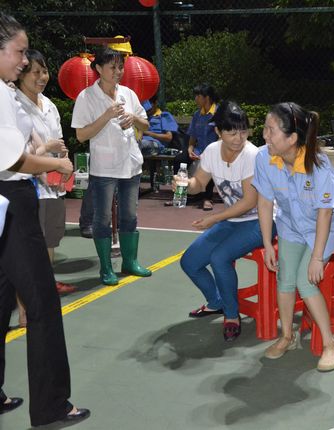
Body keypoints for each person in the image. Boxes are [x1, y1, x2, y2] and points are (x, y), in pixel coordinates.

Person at [0, 12, 90, 426]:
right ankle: (51, 405)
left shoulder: (6, 92)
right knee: (42, 303)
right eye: (19, 52)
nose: (25, 61)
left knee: (2, 299)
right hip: (12, 200)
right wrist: (57, 165)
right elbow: (14, 160)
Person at [254, 102, 334, 372]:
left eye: (271, 130)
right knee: (284, 277)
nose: (265, 135)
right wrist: (267, 243)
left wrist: (317, 257)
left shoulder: (319, 164)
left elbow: (325, 213)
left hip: (324, 229)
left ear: (292, 138)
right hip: (291, 226)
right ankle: (287, 336)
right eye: (265, 128)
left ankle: (330, 344)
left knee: (305, 281)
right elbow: (264, 202)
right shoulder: (263, 157)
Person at [178, 101, 270, 341]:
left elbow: (249, 202)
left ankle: (231, 315)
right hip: (234, 219)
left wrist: (214, 218)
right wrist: (186, 184)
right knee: (190, 262)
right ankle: (216, 301)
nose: (239, 138)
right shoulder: (211, 151)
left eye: (243, 131)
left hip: (262, 220)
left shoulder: (252, 154)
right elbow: (199, 183)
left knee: (220, 257)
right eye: (232, 132)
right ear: (218, 131)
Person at [71, 47, 151, 286]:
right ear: (98, 68)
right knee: (102, 218)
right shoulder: (86, 97)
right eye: (112, 67)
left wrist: (134, 119)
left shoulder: (128, 93)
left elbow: (145, 124)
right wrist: (106, 116)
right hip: (104, 168)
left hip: (131, 164)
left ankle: (130, 262)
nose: (118, 72)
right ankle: (106, 268)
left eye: (120, 67)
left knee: (130, 216)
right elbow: (81, 135)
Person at [15, 48, 76, 296]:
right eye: (36, 72)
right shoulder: (14, 105)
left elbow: (60, 144)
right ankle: (30, 292)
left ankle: (47, 282)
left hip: (53, 185)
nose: (42, 77)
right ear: (21, 74)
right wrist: (48, 149)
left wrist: (65, 168)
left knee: (50, 237)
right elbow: (19, 155)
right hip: (28, 185)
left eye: (45, 71)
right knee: (30, 242)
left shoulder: (49, 105)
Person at [187, 83, 219, 210]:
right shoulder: (197, 115)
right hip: (198, 150)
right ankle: (182, 193)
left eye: (198, 96)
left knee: (209, 161)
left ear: (207, 97)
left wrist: (208, 153)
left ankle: (207, 198)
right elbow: (192, 136)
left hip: (215, 151)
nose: (195, 99)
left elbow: (223, 137)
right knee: (179, 159)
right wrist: (190, 149)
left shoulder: (219, 113)